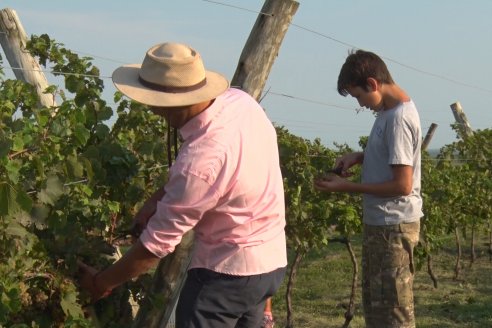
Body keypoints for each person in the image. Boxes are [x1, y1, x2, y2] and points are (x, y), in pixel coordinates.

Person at [78, 42, 287, 328]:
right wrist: (157, 200)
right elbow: (222, 179)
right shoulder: (241, 102)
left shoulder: (200, 161)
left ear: (169, 104)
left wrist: (102, 282)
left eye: (151, 100)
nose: (150, 109)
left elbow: (153, 248)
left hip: (225, 278)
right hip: (269, 265)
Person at [314, 49, 423, 328]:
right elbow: (393, 158)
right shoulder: (387, 113)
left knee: (394, 312)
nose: (361, 104)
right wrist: (359, 157)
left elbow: (402, 184)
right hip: (382, 225)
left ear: (373, 84)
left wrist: (345, 186)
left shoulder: (398, 119)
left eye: (358, 96)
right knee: (378, 309)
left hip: (393, 227)